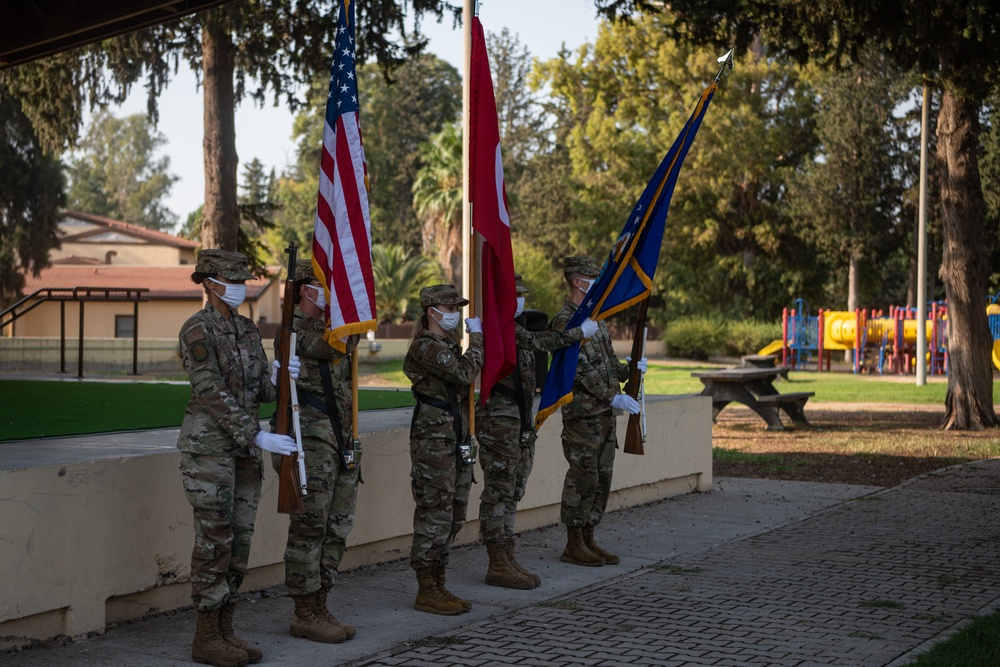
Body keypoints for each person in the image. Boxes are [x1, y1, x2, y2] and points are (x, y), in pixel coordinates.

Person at [177, 248, 299, 667]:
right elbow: (210, 391)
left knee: (240, 541)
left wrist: (281, 376)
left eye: (242, 281)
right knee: (214, 542)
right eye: (231, 281)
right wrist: (256, 434)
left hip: (244, 451)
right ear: (209, 283)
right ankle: (205, 635)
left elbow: (258, 389)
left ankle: (226, 628)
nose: (239, 288)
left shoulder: (246, 329)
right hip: (210, 451)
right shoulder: (197, 329)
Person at [476, 273, 599, 589]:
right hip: (499, 422)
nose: (520, 300)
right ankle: (497, 562)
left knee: (514, 490)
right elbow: (540, 340)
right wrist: (576, 334)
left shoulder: (513, 329)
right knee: (499, 492)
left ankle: (507, 556)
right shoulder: (497, 331)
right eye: (515, 295)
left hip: (519, 420)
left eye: (522, 294)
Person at [272, 260, 361, 644]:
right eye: (324, 287)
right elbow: (341, 342)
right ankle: (304, 611)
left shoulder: (328, 326)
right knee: (309, 529)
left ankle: (321, 602)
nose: (329, 295)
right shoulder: (293, 332)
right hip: (311, 443)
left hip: (338, 440)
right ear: (306, 289)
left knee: (336, 527)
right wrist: (353, 312)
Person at [548, 256, 645, 567]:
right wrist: (611, 398)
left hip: (604, 415)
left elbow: (606, 365)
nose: (600, 284)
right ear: (579, 282)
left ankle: (589, 538)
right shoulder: (565, 322)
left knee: (603, 478)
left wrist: (629, 369)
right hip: (583, 417)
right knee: (583, 478)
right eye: (593, 278)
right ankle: (573, 543)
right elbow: (578, 370)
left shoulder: (597, 321)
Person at [403, 284, 483, 615]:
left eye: (457, 309)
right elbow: (465, 374)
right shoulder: (426, 347)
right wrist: (477, 341)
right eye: (449, 309)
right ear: (431, 311)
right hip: (434, 440)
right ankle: (426, 588)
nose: (455, 314)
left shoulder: (447, 344)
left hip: (456, 437)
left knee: (454, 513)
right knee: (434, 512)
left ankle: (438, 581)